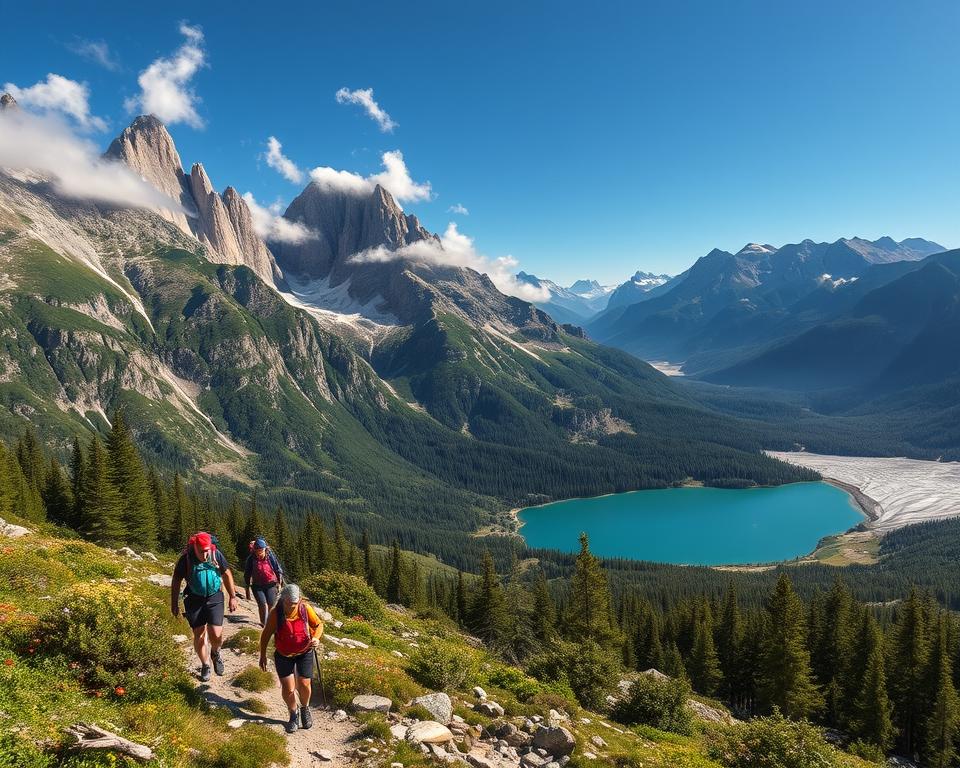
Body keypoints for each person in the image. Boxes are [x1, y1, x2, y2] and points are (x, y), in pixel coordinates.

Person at [170, 531, 239, 682]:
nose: (205, 555)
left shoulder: (216, 554)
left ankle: (215, 652)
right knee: (199, 633)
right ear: (195, 547)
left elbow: (226, 574)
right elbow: (176, 580)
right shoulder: (186, 559)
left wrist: (233, 596)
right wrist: (174, 603)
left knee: (216, 633)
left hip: (214, 596)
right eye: (202, 552)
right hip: (194, 598)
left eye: (207, 551)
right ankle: (205, 664)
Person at [259, 583, 324, 733]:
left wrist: (316, 638)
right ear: (283, 599)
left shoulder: (305, 609)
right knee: (289, 688)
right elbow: (266, 634)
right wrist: (262, 655)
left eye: (294, 603)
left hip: (305, 651)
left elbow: (319, 625)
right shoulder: (276, 612)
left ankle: (305, 708)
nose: (291, 606)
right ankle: (293, 714)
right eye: (288, 603)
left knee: (305, 684)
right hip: (283, 655)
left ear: (299, 600)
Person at [244, 537, 284, 627]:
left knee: (271, 604)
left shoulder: (270, 556)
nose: (259, 553)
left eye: (261, 551)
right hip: (257, 586)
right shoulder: (251, 559)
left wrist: (280, 583)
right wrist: (247, 586)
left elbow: (277, 569)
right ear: (254, 550)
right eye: (257, 551)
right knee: (262, 604)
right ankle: (263, 624)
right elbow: (247, 573)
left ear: (265, 549)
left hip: (271, 584)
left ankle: (270, 624)